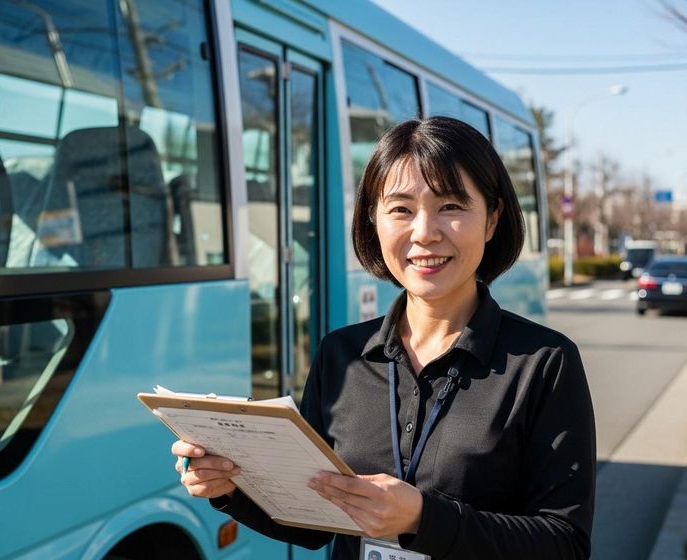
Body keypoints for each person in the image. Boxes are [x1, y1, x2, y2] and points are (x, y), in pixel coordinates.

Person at [172, 116, 596, 559]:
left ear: (492, 219)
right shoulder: (342, 354)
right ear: (373, 219)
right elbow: (316, 521)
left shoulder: (545, 362)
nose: (424, 232)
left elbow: (564, 543)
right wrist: (230, 486)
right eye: (401, 210)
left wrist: (423, 519)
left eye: (451, 206)